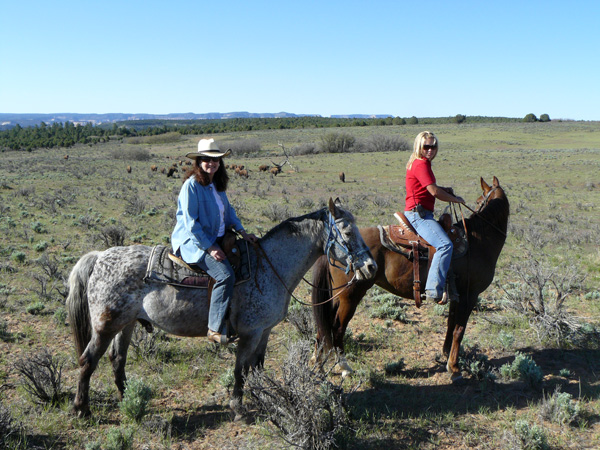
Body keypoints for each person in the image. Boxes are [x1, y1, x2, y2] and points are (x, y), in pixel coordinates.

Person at [171, 138, 258, 344]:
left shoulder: (217, 186)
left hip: (217, 238)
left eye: (216, 160)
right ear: (199, 162)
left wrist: (243, 233)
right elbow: (191, 224)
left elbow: (229, 213)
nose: (212, 164)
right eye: (207, 160)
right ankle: (214, 328)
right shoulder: (192, 186)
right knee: (225, 275)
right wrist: (210, 248)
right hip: (194, 242)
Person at [404, 131, 465, 303]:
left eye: (433, 146)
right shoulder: (420, 164)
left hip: (422, 212)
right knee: (445, 245)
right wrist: (455, 199)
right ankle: (432, 290)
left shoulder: (422, 163)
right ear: (419, 147)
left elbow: (429, 187)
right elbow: (433, 191)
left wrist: (445, 189)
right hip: (419, 216)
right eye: (426, 147)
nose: (430, 150)